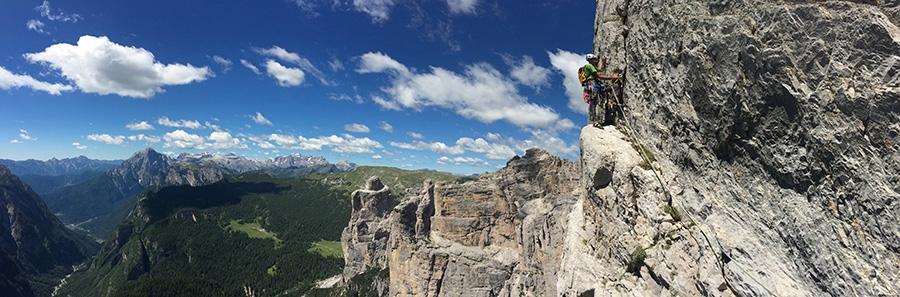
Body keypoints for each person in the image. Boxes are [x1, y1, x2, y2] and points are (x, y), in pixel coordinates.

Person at [584, 54, 621, 126]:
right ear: (591, 60)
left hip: (598, 84)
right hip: (592, 84)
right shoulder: (589, 66)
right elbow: (599, 76)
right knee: (593, 101)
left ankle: (614, 101)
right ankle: (594, 121)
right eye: (595, 59)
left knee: (613, 87)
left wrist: (604, 61)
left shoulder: (593, 67)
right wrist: (612, 77)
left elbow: (601, 69)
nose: (597, 61)